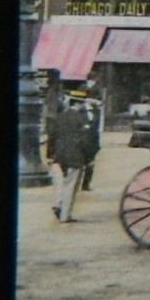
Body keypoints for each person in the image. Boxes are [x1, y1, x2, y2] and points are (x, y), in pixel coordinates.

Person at [46, 90, 99, 223]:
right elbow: (86, 140)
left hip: (59, 154)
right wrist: (89, 157)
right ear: (80, 103)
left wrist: (50, 154)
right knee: (70, 186)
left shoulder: (59, 117)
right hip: (76, 156)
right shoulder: (83, 119)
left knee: (60, 183)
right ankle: (65, 215)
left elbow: (51, 136)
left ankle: (58, 204)